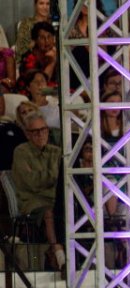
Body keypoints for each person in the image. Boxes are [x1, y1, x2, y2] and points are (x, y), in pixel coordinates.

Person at [11, 112, 64, 272]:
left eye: (43, 129)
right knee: (49, 212)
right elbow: (31, 182)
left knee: (73, 207)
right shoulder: (21, 152)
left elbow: (62, 179)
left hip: (55, 198)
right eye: (35, 131)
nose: (41, 134)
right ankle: (58, 254)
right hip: (33, 201)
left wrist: (46, 177)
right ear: (27, 134)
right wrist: (53, 175)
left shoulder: (56, 151)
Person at [17, 22, 59, 96]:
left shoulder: (56, 53)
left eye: (49, 36)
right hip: (31, 94)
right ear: (35, 40)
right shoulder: (29, 58)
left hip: (51, 90)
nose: (47, 41)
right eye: (42, 38)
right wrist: (52, 63)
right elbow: (40, 84)